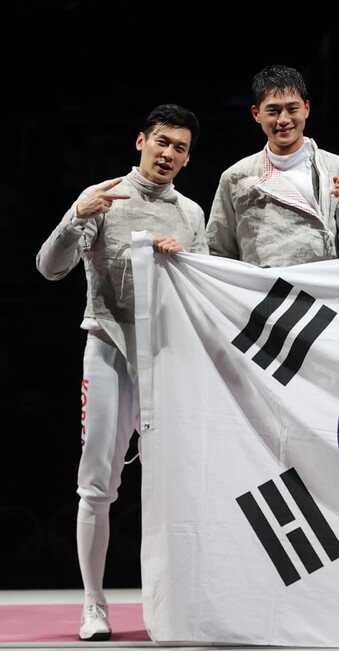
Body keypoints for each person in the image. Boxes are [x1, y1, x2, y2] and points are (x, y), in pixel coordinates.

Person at [36, 104, 208, 642]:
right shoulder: (104, 196)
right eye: (162, 142)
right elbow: (50, 267)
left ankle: (181, 599)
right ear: (141, 141)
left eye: (180, 147)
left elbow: (204, 291)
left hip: (168, 359)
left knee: (183, 486)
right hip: (108, 349)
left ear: (186, 156)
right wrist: (76, 216)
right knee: (98, 486)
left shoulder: (191, 214)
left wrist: (186, 259)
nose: (169, 154)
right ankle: (93, 604)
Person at [206, 64, 339, 267]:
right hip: (265, 295)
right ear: (256, 114)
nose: (283, 119)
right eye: (273, 111)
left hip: (323, 293)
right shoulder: (236, 176)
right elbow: (218, 255)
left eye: (292, 109)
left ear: (306, 109)